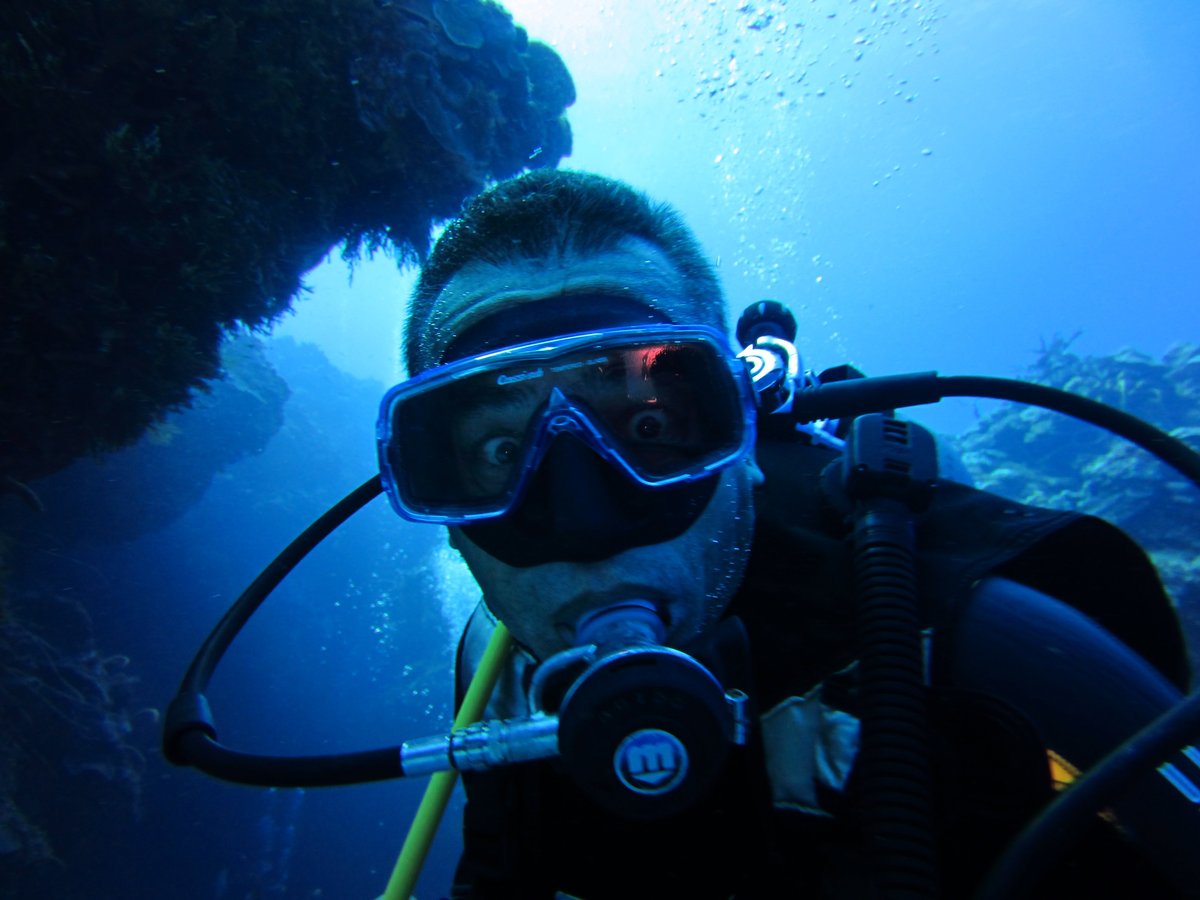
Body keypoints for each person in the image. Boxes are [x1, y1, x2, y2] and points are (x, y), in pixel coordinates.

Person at [381, 169, 1196, 898]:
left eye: (652, 425)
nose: (586, 524)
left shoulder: (965, 635)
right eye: (497, 452)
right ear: (448, 519)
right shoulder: (493, 676)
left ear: (747, 446)